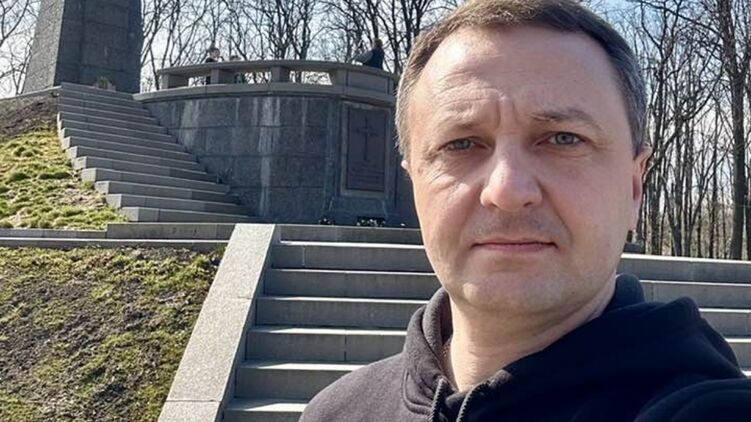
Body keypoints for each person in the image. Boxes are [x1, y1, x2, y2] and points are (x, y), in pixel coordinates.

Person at [300, 0, 751, 421]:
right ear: (415, 185)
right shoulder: (336, 412)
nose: (507, 190)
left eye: (563, 139)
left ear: (634, 187)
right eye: (461, 144)